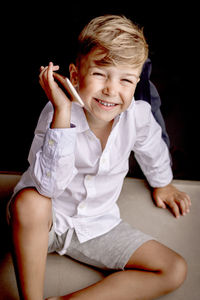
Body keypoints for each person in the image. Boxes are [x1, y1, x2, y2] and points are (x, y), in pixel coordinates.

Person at [9, 15, 191, 300]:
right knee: (30, 202)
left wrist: (163, 182)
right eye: (100, 74)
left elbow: (152, 148)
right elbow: (49, 187)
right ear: (76, 75)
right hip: (47, 221)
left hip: (98, 224)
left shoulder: (138, 116)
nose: (111, 89)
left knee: (174, 269)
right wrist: (62, 113)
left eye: (125, 80)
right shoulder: (56, 112)